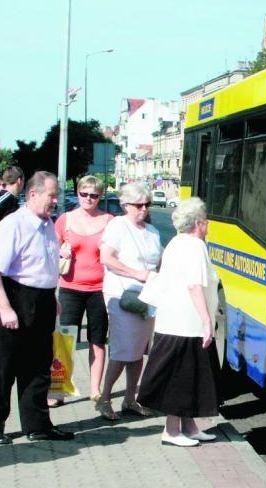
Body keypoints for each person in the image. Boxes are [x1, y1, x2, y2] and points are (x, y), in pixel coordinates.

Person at [137, 197, 219, 447]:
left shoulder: (176, 242)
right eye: (205, 221)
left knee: (189, 377)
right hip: (186, 324)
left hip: (175, 321)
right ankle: (171, 431)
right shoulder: (194, 246)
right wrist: (207, 322)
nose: (207, 226)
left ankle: (189, 426)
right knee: (180, 379)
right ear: (198, 223)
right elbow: (195, 285)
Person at [0, 171, 74, 444]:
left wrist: (50, 297)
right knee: (5, 367)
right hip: (15, 297)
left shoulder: (47, 223)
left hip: (41, 299)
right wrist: (5, 308)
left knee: (38, 365)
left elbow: (44, 264)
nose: (56, 200)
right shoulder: (13, 224)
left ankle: (37, 425)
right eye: (52, 195)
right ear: (33, 194)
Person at [97, 183, 162, 420]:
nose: (143, 209)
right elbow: (107, 258)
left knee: (139, 349)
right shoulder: (117, 226)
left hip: (147, 298)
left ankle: (130, 399)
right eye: (138, 205)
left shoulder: (152, 231)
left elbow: (159, 262)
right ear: (126, 205)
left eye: (147, 204)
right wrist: (137, 274)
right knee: (123, 349)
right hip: (122, 296)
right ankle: (104, 399)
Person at [53, 176, 113, 406]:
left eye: (94, 195)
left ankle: (95, 390)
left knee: (97, 341)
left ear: (100, 196)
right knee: (64, 339)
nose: (89, 198)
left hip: (100, 289)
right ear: (77, 193)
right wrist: (61, 253)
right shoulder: (65, 220)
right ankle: (58, 389)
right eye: (84, 194)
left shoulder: (109, 220)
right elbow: (51, 250)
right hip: (70, 288)